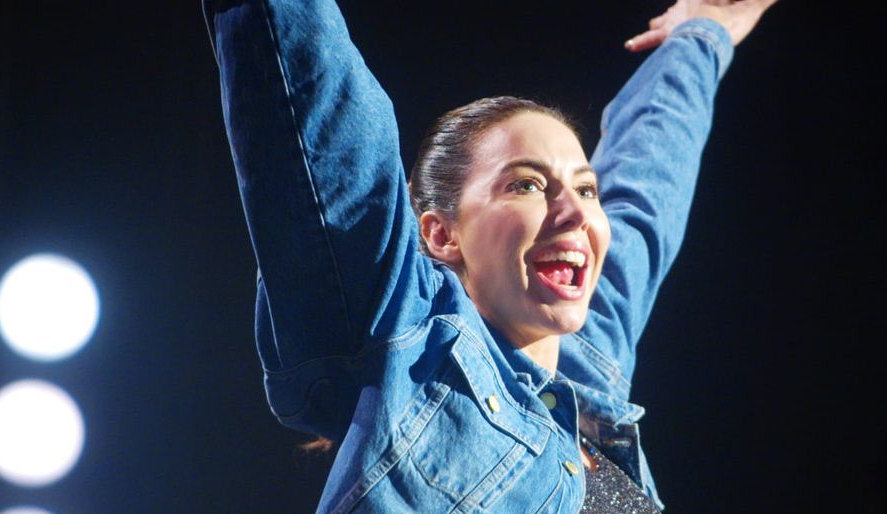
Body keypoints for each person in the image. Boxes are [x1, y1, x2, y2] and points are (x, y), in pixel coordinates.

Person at [203, 0, 776, 511]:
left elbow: (650, 180)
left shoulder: (587, 358)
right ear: (442, 235)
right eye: (527, 184)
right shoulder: (412, 343)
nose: (575, 213)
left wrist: (701, 32)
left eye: (586, 189)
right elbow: (322, 110)